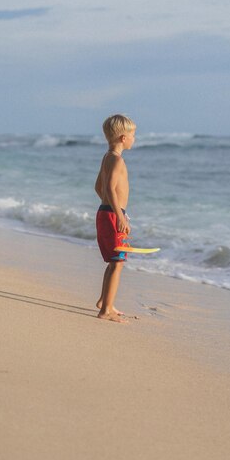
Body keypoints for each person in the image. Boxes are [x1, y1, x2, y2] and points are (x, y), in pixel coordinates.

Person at [94, 114, 136, 323]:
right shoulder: (117, 160)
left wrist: (107, 207)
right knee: (117, 263)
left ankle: (104, 301)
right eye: (132, 134)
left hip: (105, 212)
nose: (134, 138)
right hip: (112, 214)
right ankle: (106, 311)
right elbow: (109, 188)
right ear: (122, 137)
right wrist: (119, 216)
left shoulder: (107, 157)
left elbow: (98, 187)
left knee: (113, 262)